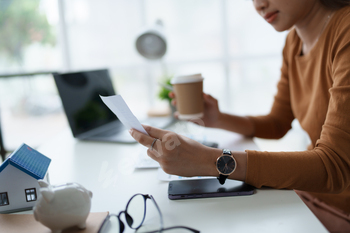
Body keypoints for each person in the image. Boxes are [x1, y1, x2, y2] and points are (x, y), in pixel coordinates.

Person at [129, 0, 350, 231]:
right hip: (307, 192)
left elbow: (333, 166)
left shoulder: (345, 31)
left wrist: (209, 160)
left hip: (341, 206)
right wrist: (219, 118)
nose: (259, 5)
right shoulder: (293, 41)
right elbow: (277, 123)